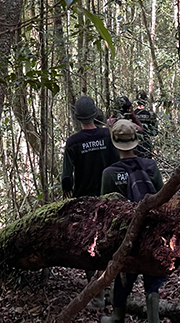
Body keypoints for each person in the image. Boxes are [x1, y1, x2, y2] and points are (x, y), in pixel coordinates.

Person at [100, 119, 165, 323]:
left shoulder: (109, 174)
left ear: (114, 142)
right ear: (136, 140)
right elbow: (163, 198)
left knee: (122, 272)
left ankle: (117, 315)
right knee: (152, 271)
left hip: (124, 235)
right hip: (151, 231)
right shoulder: (151, 166)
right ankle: (153, 318)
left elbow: (106, 208)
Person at [61, 95, 119, 309]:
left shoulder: (73, 142)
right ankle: (114, 291)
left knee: (90, 244)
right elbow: (117, 165)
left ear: (78, 118)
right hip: (108, 197)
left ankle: (97, 296)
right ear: (95, 115)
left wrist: (67, 191)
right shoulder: (106, 135)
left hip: (85, 200)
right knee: (110, 240)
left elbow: (67, 177)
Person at [134, 90, 158, 158]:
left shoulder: (132, 115)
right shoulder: (150, 115)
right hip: (146, 144)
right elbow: (155, 132)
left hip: (134, 144)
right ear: (145, 101)